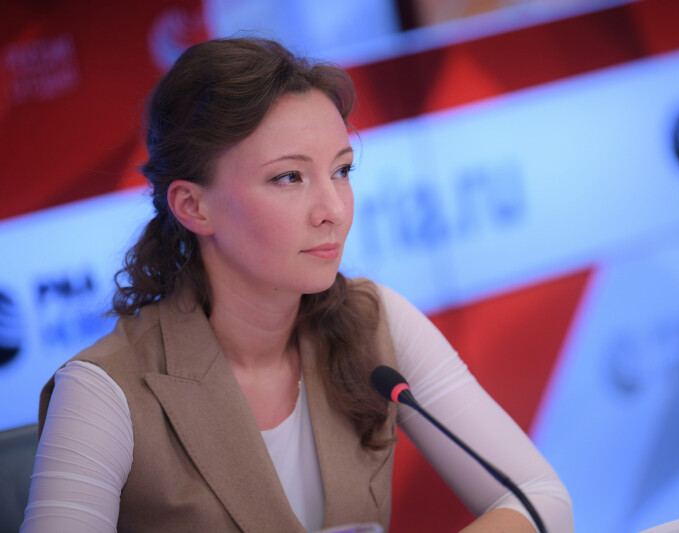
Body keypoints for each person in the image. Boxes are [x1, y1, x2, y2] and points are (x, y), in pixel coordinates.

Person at [22, 37, 574, 533]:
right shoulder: (102, 392)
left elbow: (540, 499)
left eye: (342, 170)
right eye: (289, 177)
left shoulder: (376, 321)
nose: (333, 209)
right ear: (193, 207)